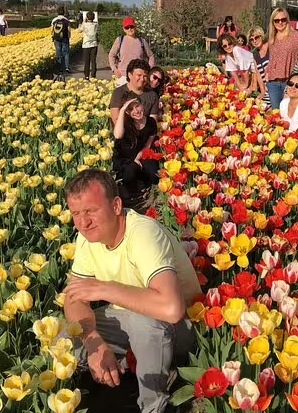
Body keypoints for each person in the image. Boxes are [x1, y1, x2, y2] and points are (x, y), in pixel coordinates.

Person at [63, 169, 200, 413]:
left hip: (179, 330)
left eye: (91, 211)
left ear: (116, 206)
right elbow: (73, 299)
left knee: (144, 324)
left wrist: (105, 288)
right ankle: (116, 365)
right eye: (76, 214)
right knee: (63, 336)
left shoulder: (143, 234)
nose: (83, 223)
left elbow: (172, 309)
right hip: (129, 320)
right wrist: (94, 343)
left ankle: (153, 405)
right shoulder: (87, 238)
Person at [113, 93, 160, 204]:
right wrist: (122, 110)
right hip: (125, 159)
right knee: (130, 173)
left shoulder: (151, 122)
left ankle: (141, 184)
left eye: (137, 106)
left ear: (142, 104)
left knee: (155, 176)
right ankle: (133, 192)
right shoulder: (124, 123)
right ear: (127, 112)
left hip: (141, 155)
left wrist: (138, 158)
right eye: (130, 109)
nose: (136, 111)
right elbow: (118, 135)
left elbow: (148, 145)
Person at [265, 7, 298, 109]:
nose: (280, 23)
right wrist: (268, 73)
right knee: (276, 114)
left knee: (289, 114)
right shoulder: (272, 38)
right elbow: (272, 58)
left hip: (290, 82)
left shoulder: (296, 37)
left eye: (283, 19)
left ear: (287, 20)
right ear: (273, 22)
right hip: (273, 83)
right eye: (276, 20)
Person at [109, 59, 160, 124]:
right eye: (139, 75)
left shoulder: (152, 95)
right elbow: (116, 120)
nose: (142, 79)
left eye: (145, 76)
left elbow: (153, 123)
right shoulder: (118, 93)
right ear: (130, 75)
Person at [108, 18, 156, 87]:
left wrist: (149, 70)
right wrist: (114, 69)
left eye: (131, 27)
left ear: (135, 27)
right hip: (123, 76)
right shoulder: (119, 40)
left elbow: (151, 56)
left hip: (139, 77)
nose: (129, 29)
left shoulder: (142, 41)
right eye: (127, 27)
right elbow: (111, 55)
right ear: (124, 29)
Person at [51, 7, 72, 75]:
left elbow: (52, 30)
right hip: (65, 38)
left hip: (57, 39)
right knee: (66, 53)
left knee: (58, 53)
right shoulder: (66, 20)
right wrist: (69, 37)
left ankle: (59, 68)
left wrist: (53, 37)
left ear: (57, 12)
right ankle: (67, 67)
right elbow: (69, 30)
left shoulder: (54, 20)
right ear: (64, 12)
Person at [80, 11, 99, 79]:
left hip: (86, 44)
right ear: (94, 18)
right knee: (93, 61)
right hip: (94, 44)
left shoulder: (84, 24)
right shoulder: (96, 24)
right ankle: (93, 76)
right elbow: (97, 31)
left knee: (86, 61)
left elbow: (80, 30)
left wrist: (84, 21)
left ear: (87, 17)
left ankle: (86, 76)